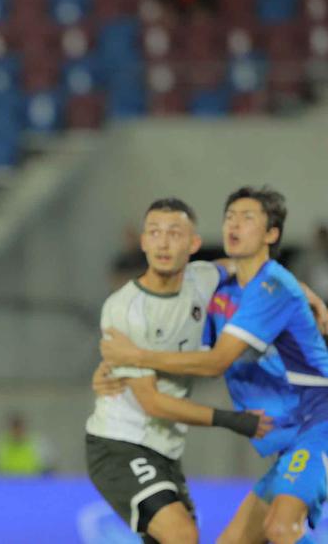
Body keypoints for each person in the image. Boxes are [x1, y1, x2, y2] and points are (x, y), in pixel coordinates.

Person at [103, 187, 328, 544]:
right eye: (229, 217)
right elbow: (180, 342)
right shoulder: (221, 291)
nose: (234, 225)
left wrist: (135, 357)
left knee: (282, 528)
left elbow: (216, 362)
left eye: (247, 218)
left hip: (319, 424)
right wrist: (111, 369)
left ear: (271, 234)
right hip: (291, 439)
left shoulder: (272, 287)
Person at [86, 198, 271, 543]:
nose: (163, 243)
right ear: (143, 242)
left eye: (174, 233)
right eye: (154, 233)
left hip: (166, 448)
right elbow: (153, 403)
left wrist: (306, 294)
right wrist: (234, 420)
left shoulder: (200, 279)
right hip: (120, 443)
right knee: (182, 535)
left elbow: (245, 266)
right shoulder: (125, 309)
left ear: (193, 243)